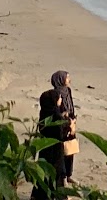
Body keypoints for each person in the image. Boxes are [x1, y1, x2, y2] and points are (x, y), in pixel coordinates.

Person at [35, 70, 79, 198]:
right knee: (58, 166)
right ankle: (62, 186)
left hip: (65, 125)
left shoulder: (66, 92)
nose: (69, 79)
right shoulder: (54, 97)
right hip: (59, 137)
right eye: (67, 77)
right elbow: (57, 120)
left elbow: (70, 105)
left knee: (69, 153)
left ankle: (67, 176)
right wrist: (67, 123)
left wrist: (71, 119)